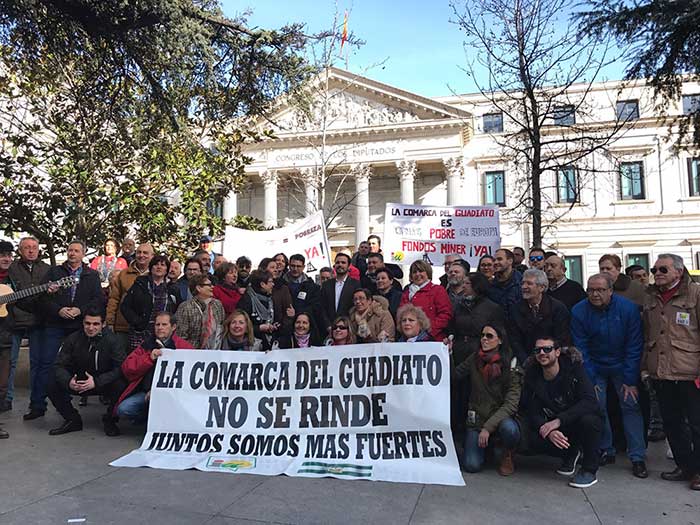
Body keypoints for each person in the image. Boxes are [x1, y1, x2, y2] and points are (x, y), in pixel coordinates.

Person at [571, 273, 647, 478]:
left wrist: (630, 380)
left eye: (600, 290)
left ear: (610, 291)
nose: (595, 294)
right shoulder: (579, 311)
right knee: (598, 406)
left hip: (623, 365)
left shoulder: (628, 309)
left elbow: (634, 345)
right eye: (590, 290)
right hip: (595, 364)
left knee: (630, 406)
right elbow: (581, 348)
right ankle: (606, 449)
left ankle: (637, 456)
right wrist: (591, 379)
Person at [642, 254, 700, 490]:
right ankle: (685, 466)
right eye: (655, 269)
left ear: (678, 271)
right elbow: (647, 335)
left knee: (697, 425)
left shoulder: (695, 294)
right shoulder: (650, 297)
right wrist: (646, 367)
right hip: (662, 372)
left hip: (690, 371)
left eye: (663, 269)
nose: (657, 273)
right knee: (672, 423)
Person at [30, 240, 103, 421]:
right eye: (70, 250)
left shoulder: (91, 275)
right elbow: (41, 299)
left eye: (76, 251)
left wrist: (80, 310)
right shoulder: (54, 272)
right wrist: (58, 310)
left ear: (83, 254)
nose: (72, 253)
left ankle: (66, 405)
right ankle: (37, 405)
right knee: (46, 364)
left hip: (78, 326)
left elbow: (98, 300)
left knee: (74, 365)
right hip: (55, 324)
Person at [519, 337, 603, 489]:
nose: (542, 353)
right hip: (554, 425)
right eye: (538, 350)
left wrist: (559, 421)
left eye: (547, 349)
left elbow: (590, 401)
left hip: (575, 420)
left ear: (557, 352)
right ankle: (570, 454)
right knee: (531, 437)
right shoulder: (532, 375)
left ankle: (589, 470)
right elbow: (531, 410)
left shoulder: (574, 369)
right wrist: (547, 429)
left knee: (590, 421)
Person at [45, 308, 126, 436]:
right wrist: (68, 381)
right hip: (78, 381)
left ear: (103, 324)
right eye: (87, 323)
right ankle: (72, 419)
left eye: (95, 324)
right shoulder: (73, 339)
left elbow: (120, 368)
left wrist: (97, 382)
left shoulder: (113, 341)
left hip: (102, 382)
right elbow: (59, 364)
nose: (91, 328)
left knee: (121, 384)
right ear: (83, 323)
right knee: (50, 381)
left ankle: (110, 420)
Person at [454, 324, 522, 475]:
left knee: (510, 430)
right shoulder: (474, 358)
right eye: (482, 335)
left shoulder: (512, 364)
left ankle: (507, 452)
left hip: (500, 419)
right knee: (471, 465)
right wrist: (447, 353)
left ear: (500, 341)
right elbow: (455, 375)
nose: (484, 339)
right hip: (477, 418)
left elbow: (511, 405)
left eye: (489, 336)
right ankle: (488, 448)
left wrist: (488, 428)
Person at [116, 312, 194, 424]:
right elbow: (127, 368)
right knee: (123, 409)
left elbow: (190, 374)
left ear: (173, 327)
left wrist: (158, 392)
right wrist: (149, 358)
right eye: (157, 325)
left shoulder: (184, 347)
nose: (160, 328)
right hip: (145, 392)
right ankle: (147, 420)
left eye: (164, 324)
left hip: (173, 394)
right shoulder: (147, 344)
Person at [7, 236, 50, 413]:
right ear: (20, 250)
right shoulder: (11, 268)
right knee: (10, 362)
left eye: (34, 247)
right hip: (15, 321)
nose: (31, 251)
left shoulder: (48, 269)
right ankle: (6, 399)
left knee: (38, 363)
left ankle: (37, 403)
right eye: (27, 248)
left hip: (39, 321)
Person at [120, 254, 181, 351]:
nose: (159, 267)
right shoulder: (140, 284)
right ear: (151, 267)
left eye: (163, 265)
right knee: (139, 361)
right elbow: (125, 306)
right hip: (141, 332)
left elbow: (177, 310)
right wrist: (137, 322)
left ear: (167, 270)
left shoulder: (173, 288)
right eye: (156, 264)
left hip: (163, 333)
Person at [509, 269, 570, 364]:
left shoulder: (557, 308)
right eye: (523, 283)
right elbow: (514, 340)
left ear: (541, 287)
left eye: (529, 283)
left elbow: (562, 337)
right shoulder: (515, 309)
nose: (524, 287)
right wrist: (526, 360)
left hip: (552, 359)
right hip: (526, 360)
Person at [106, 242, 155, 349]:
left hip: (147, 328)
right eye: (139, 252)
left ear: (152, 256)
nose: (141, 255)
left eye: (145, 253)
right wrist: (110, 321)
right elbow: (114, 299)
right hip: (123, 327)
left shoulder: (156, 276)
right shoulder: (123, 274)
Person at [399, 260, 452, 341]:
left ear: (428, 273)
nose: (417, 274)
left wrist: (429, 331)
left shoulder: (437, 290)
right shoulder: (406, 293)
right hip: (410, 339)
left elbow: (445, 314)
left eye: (421, 271)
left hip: (433, 339)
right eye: (414, 272)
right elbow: (401, 315)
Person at [237, 270, 289, 351]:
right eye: (270, 282)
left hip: (269, 343)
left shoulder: (270, 299)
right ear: (262, 284)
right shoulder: (246, 300)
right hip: (251, 345)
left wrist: (274, 326)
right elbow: (239, 326)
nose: (273, 284)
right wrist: (259, 328)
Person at [175, 274, 225, 349]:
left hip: (215, 351)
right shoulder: (185, 307)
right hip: (192, 352)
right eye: (209, 285)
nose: (212, 287)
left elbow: (221, 326)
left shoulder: (217, 305)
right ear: (198, 288)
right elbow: (181, 335)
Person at [319, 253, 361, 334]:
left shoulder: (356, 284)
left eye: (343, 262)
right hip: (329, 329)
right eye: (337, 262)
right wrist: (328, 325)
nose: (340, 265)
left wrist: (348, 326)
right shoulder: (326, 285)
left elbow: (356, 307)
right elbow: (322, 307)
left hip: (349, 329)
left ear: (349, 266)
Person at [0, 240, 14, 428]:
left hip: (5, 336)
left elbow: (24, 303)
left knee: (2, 384)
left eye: (9, 255)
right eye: (3, 255)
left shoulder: (14, 277)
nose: (6, 259)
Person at [487, 249, 522, 319]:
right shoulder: (490, 285)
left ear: (510, 261)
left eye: (499, 259)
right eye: (494, 260)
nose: (496, 262)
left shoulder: (521, 283)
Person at [284, 254, 321, 321]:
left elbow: (314, 307)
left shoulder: (312, 286)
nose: (295, 269)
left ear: (303, 267)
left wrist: (297, 312)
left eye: (298, 266)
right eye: (293, 266)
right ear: (289, 266)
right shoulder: (280, 283)